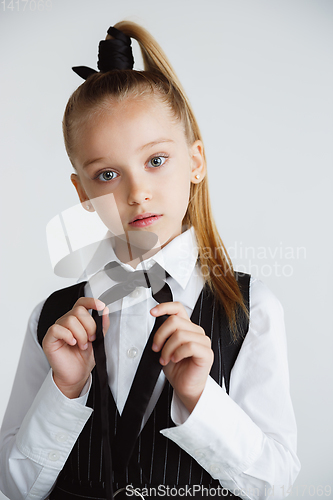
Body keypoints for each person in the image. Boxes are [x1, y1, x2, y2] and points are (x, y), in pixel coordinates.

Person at [0, 21, 300, 500]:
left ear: (196, 161)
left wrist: (200, 399)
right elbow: (17, 489)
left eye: (156, 160)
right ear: (82, 193)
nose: (137, 193)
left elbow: (274, 484)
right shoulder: (51, 318)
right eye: (108, 174)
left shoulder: (250, 309)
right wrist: (65, 388)